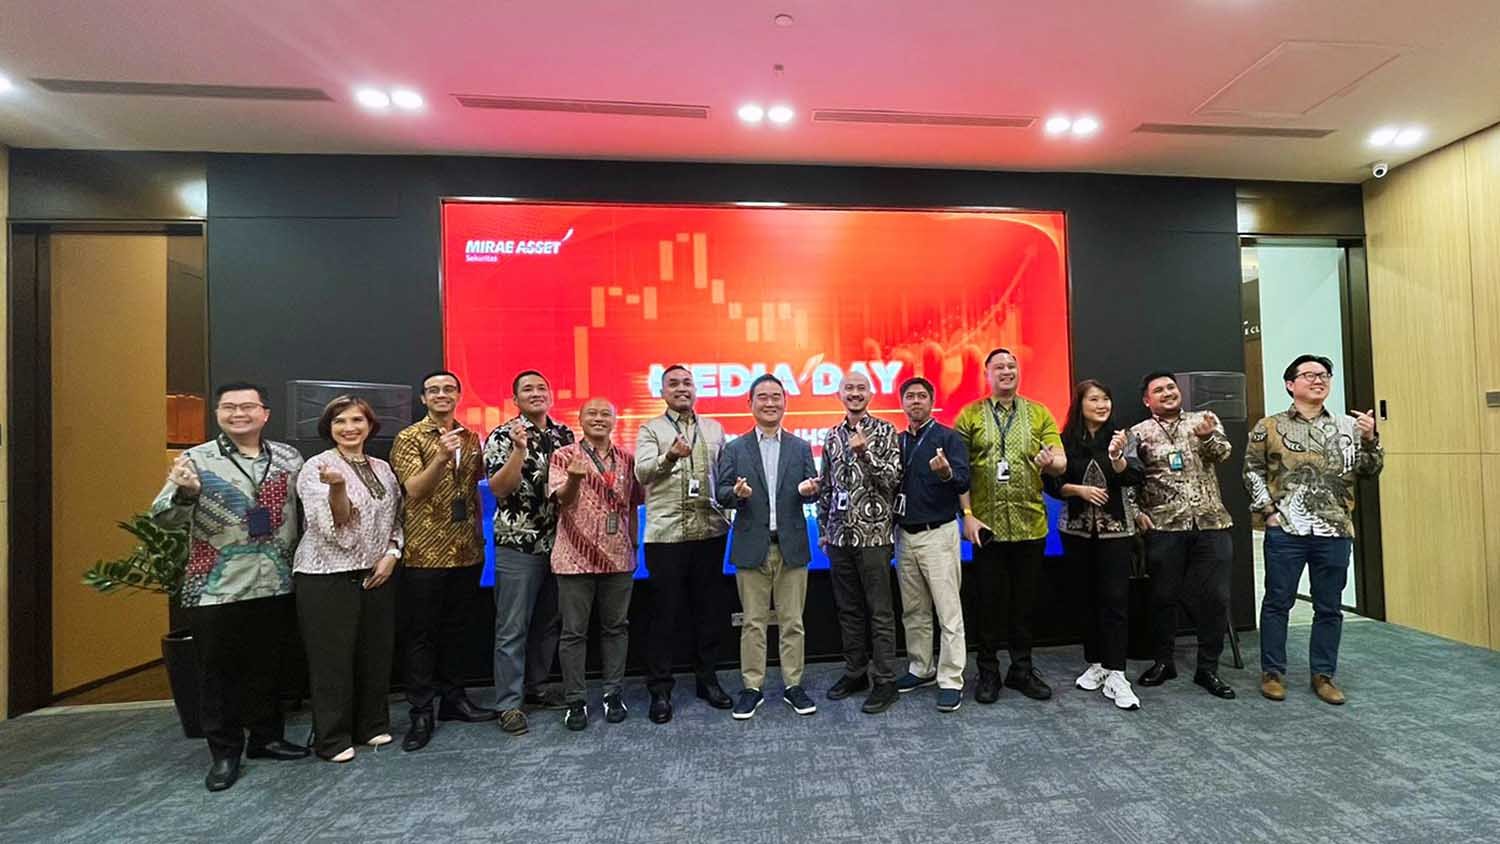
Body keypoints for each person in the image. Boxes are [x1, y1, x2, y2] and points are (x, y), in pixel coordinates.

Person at [151, 382, 309, 791]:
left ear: (265, 413)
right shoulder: (196, 460)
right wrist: (187, 494)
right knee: (217, 674)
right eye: (230, 407)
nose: (239, 414)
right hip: (216, 587)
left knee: (268, 667)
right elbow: (163, 520)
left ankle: (266, 738)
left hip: (276, 581)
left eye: (248, 406)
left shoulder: (288, 458)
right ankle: (224, 753)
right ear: (218, 413)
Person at [1245, 354, 1383, 705]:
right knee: (1278, 602)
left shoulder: (1348, 426)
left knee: (1329, 606)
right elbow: (1251, 471)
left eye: (1323, 375)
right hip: (1286, 529)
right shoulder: (1269, 426)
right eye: (1308, 375)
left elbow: (1370, 471)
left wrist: (1370, 439)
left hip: (1334, 529)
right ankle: (1272, 672)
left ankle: (1323, 675)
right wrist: (1268, 512)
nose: (1318, 380)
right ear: (1290, 384)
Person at [389, 370, 495, 753]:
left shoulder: (470, 437)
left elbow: (475, 484)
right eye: (433, 390)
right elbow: (415, 489)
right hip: (425, 552)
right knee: (422, 634)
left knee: (457, 630)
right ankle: (421, 711)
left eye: (448, 389)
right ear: (423, 398)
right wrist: (440, 458)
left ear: (458, 395)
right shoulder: (409, 437)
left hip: (466, 548)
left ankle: (454, 700)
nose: (441, 395)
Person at [294, 395, 404, 762]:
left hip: (377, 573)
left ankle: (371, 725)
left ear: (370, 426)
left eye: (357, 420)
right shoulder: (316, 466)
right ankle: (332, 738)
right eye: (340, 421)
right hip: (326, 575)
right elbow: (333, 524)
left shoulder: (383, 468)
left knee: (375, 654)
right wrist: (338, 486)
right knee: (332, 660)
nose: (349, 427)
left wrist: (392, 554)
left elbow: (395, 518)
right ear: (329, 428)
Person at [955, 348, 1066, 703]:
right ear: (987, 374)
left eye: (1012, 366)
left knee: (1024, 605)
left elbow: (1061, 462)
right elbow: (960, 473)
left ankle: (1021, 670)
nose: (1006, 371)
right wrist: (967, 515)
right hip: (986, 528)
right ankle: (988, 672)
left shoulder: (1039, 412)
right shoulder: (970, 414)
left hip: (1029, 524)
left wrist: (1050, 462)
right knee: (988, 604)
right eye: (999, 366)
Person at [715, 374, 821, 720]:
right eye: (762, 397)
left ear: (785, 402)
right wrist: (737, 494)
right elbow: (721, 493)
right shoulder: (735, 448)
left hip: (791, 545)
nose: (770, 402)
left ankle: (793, 685)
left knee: (793, 622)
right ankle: (752, 688)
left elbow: (813, 489)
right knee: (753, 623)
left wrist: (810, 490)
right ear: (750, 403)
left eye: (776, 396)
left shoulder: (800, 447)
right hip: (751, 546)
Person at [1129, 371, 1237, 699]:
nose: (1167, 393)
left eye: (1171, 387)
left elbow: (1223, 454)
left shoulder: (1204, 420)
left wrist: (1207, 438)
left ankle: (1208, 668)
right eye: (1158, 390)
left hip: (1210, 523)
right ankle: (1164, 662)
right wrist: (1135, 513)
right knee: (1163, 598)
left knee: (1215, 598)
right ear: (1147, 400)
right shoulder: (1138, 433)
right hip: (1164, 526)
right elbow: (1129, 478)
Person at [635, 364, 733, 724]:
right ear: (662, 392)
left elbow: (725, 477)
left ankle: (707, 681)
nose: (681, 388)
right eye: (673, 384)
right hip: (667, 535)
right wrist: (670, 456)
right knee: (664, 614)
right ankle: (660, 689)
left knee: (708, 612)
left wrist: (733, 500)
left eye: (687, 383)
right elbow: (642, 473)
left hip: (710, 532)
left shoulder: (715, 429)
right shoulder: (651, 429)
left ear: (696, 389)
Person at [1044, 380, 1145, 711]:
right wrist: (1078, 490)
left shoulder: (1122, 437)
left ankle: (1117, 672)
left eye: (1106, 399)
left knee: (1114, 600)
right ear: (1080, 404)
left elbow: (1135, 475)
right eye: (1094, 399)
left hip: (1116, 531)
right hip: (1075, 531)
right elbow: (1052, 483)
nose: (1102, 405)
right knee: (1085, 598)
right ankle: (1097, 662)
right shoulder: (1064, 441)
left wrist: (1117, 458)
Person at [482, 370, 573, 736]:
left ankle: (536, 687)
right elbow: (499, 489)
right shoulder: (503, 435)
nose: (536, 393)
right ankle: (508, 703)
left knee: (548, 621)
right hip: (519, 543)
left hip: (560, 543)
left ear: (550, 395)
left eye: (541, 387)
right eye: (527, 389)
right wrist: (519, 451)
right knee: (512, 627)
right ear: (515, 399)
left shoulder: (564, 434)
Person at [548, 398, 645, 730]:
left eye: (606, 413)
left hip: (618, 557)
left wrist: (634, 544)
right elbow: (561, 500)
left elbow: (632, 505)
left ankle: (612, 693)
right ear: (580, 419)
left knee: (616, 628)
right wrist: (574, 479)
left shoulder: (628, 460)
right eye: (592, 413)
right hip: (573, 558)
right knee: (573, 633)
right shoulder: (563, 456)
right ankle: (575, 700)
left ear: (615, 420)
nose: (599, 418)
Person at [817, 371, 902, 714]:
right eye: (849, 388)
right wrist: (823, 528)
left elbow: (892, 479)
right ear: (839, 394)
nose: (855, 393)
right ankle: (855, 673)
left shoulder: (885, 431)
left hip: (874, 536)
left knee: (880, 612)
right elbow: (826, 486)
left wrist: (865, 453)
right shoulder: (832, 435)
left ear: (870, 393)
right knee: (848, 610)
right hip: (839, 537)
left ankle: (885, 680)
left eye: (860, 388)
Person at [892, 376, 971, 713]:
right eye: (909, 396)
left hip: (938, 533)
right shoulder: (896, 441)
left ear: (932, 401)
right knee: (914, 609)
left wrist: (945, 473)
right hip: (904, 535)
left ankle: (951, 678)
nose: (915, 401)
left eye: (921, 396)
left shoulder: (948, 438)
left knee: (947, 610)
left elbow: (964, 481)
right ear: (901, 403)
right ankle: (920, 667)